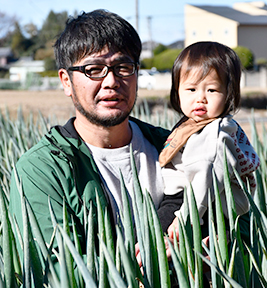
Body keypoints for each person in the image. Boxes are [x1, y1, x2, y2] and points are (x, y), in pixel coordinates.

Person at [9, 9, 179, 254]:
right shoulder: (42, 170)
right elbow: (58, 268)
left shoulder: (173, 146)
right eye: (94, 69)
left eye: (123, 67)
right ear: (66, 81)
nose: (111, 81)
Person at [159, 41, 260, 241]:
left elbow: (205, 179)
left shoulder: (215, 133)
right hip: (200, 203)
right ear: (177, 91)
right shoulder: (195, 124)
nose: (201, 98)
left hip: (197, 206)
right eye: (191, 89)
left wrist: (185, 217)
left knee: (150, 240)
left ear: (229, 94)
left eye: (212, 90)